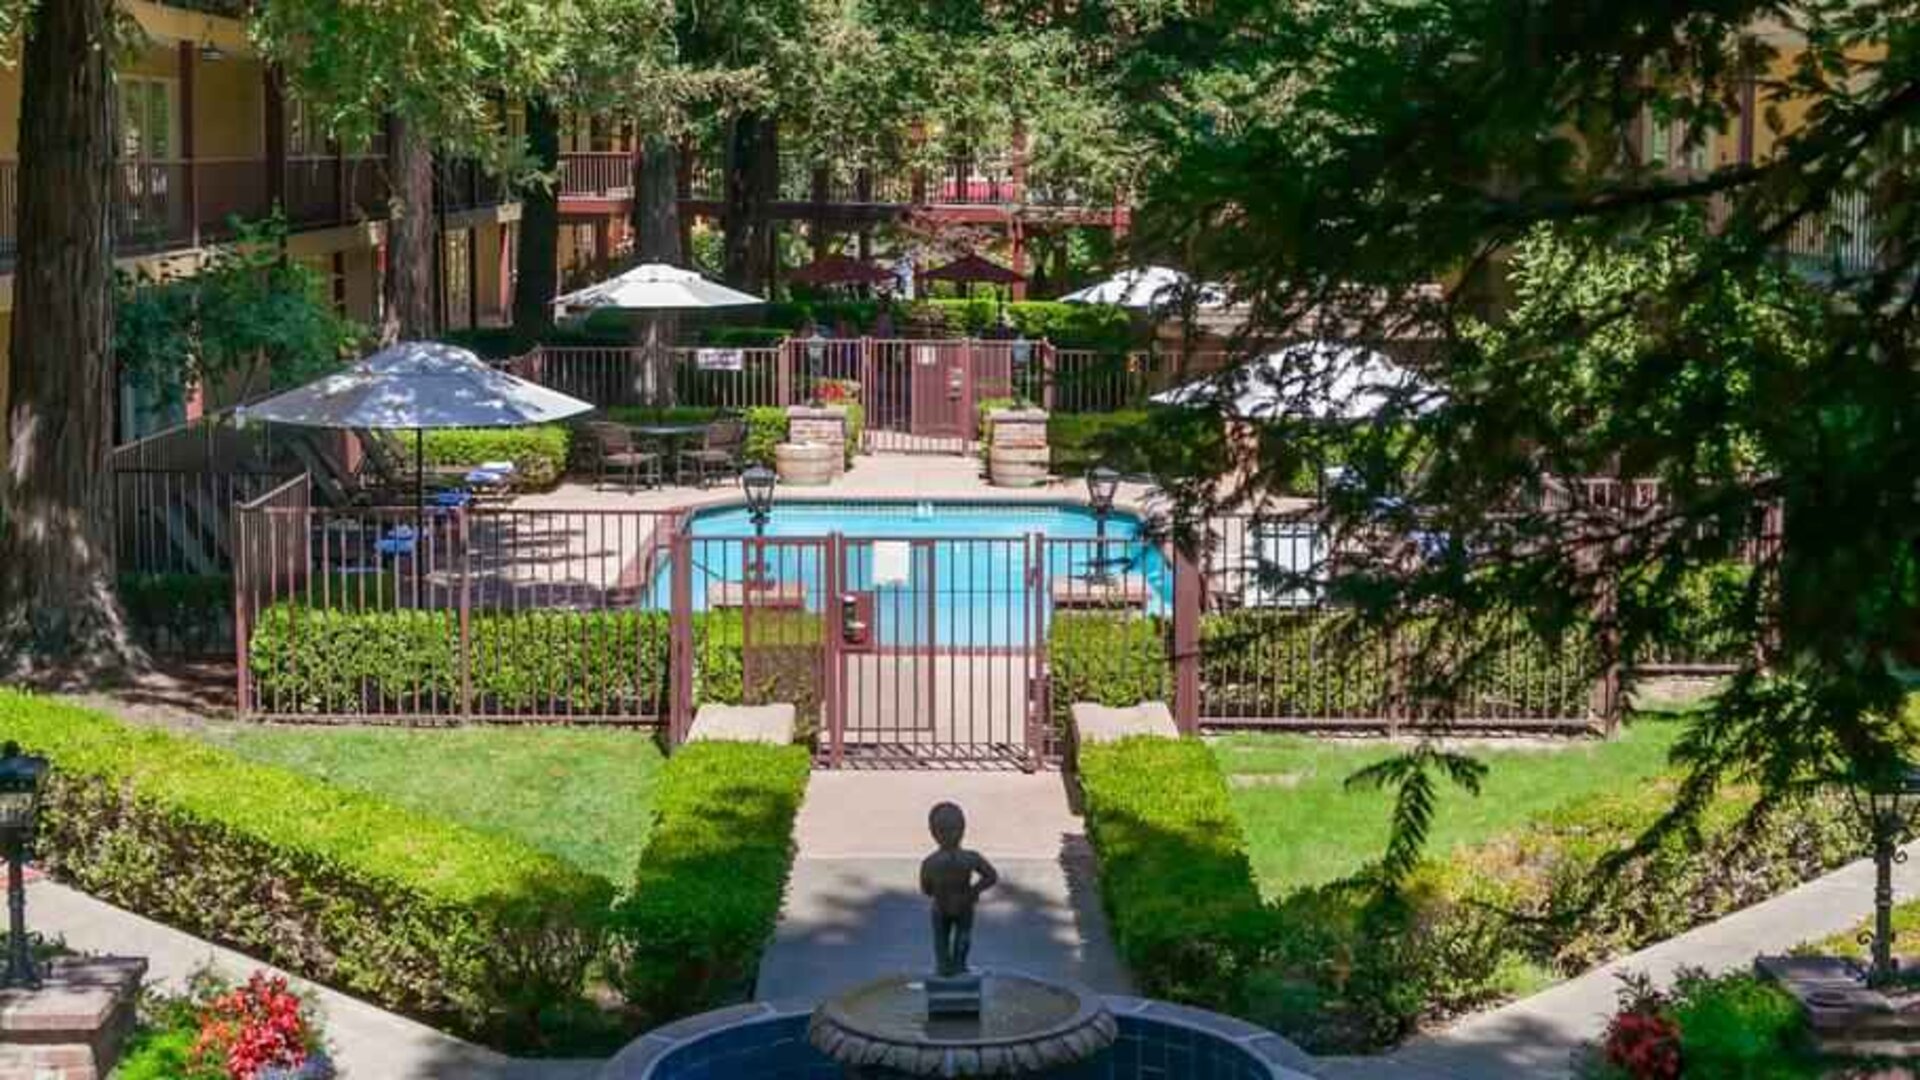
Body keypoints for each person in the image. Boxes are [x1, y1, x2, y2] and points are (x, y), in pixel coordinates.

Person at [920, 801, 999, 977]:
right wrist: (974, 891)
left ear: (933, 833)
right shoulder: (970, 858)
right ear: (963, 829)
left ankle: (943, 967)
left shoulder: (930, 862)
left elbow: (926, 889)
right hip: (964, 904)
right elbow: (991, 876)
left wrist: (937, 890)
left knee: (941, 940)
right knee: (963, 937)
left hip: (940, 906)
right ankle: (959, 966)